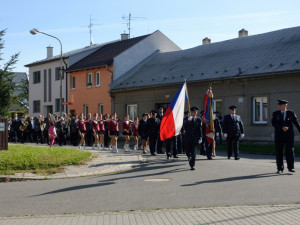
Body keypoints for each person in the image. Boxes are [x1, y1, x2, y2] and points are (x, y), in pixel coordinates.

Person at [271, 99, 300, 173]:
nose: (279, 106)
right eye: (279, 105)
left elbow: (296, 123)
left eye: (281, 105)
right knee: (279, 151)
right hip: (279, 135)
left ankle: (290, 167)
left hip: (289, 135)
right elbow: (273, 123)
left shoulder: (291, 113)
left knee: (290, 151)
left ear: (285, 105)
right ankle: (280, 168)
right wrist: (281, 127)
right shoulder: (275, 113)